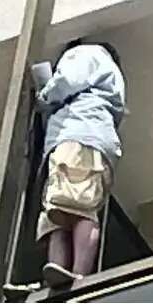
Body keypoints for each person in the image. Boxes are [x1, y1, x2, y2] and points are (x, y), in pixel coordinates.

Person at [31, 40, 126, 288]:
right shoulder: (110, 80)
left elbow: (68, 80)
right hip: (88, 139)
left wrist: (45, 95)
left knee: (78, 206)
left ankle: (78, 275)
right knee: (62, 208)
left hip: (79, 135)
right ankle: (61, 274)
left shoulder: (88, 54)